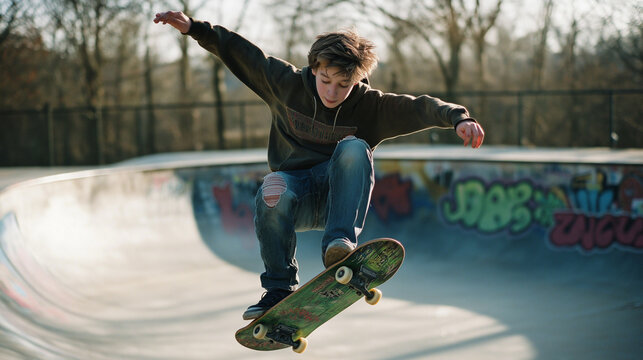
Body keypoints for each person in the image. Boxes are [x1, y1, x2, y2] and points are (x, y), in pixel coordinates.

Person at [153, 11, 485, 320]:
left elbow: (421, 107)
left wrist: (459, 119)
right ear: (314, 68)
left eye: (344, 85)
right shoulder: (285, 84)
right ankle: (279, 288)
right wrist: (194, 28)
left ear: (359, 79)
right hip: (295, 198)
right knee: (272, 187)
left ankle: (340, 246)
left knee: (354, 148)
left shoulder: (370, 107)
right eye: (326, 80)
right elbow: (242, 54)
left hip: (338, 200)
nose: (332, 91)